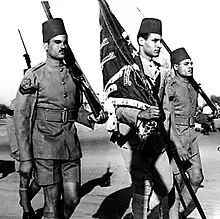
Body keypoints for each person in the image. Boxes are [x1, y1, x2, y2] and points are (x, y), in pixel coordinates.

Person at [13, 18, 107, 219]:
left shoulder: (74, 75)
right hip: (44, 147)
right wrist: (25, 157)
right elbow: (21, 118)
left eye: (64, 42)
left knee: (73, 198)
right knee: (52, 203)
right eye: (57, 42)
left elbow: (76, 109)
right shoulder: (34, 76)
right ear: (46, 46)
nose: (62, 46)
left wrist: (91, 117)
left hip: (70, 147)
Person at [114, 18, 173, 218]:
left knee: (167, 184)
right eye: (154, 41)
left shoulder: (162, 72)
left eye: (160, 41)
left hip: (156, 139)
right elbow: (118, 109)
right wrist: (140, 114)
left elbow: (165, 107)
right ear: (140, 41)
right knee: (142, 185)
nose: (158, 46)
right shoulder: (127, 71)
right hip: (132, 138)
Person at [164, 47, 204, 219]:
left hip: (191, 135)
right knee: (177, 181)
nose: (190, 66)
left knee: (196, 178)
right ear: (175, 67)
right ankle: (172, 215)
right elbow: (167, 119)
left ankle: (179, 213)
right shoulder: (170, 87)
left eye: (191, 63)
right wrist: (177, 146)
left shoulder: (192, 86)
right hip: (175, 135)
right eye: (186, 64)